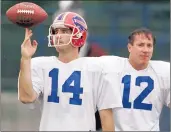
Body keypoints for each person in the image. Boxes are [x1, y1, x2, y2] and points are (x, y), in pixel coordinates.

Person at [18, 11, 122, 131]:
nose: (58, 35)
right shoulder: (39, 65)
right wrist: (25, 58)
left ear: (79, 35)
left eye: (64, 31)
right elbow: (26, 98)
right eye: (56, 31)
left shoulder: (97, 69)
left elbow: (106, 117)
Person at [99, 28, 170, 131]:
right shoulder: (112, 67)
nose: (145, 50)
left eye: (149, 45)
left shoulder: (163, 71)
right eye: (140, 45)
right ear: (129, 47)